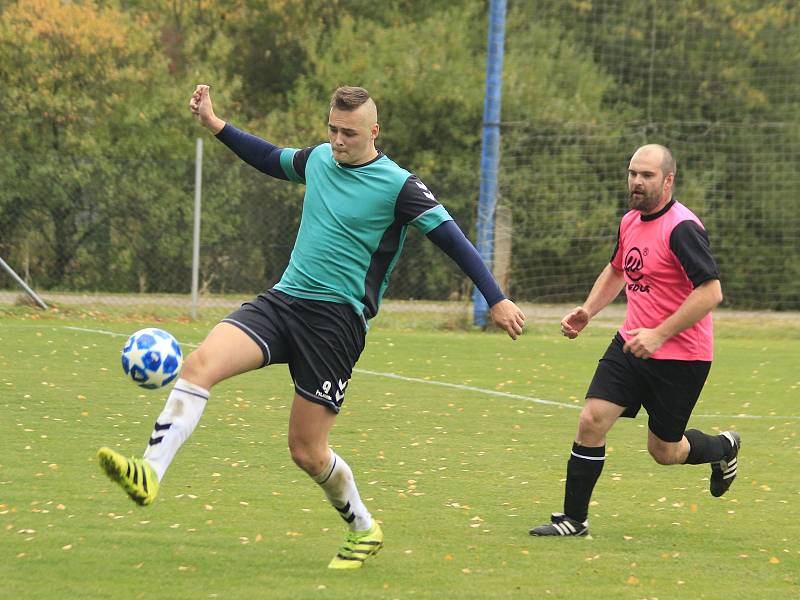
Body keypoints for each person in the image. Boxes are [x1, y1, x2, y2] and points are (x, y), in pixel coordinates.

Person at [98, 84, 526, 568]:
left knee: (306, 450)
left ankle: (363, 527)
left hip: (336, 324)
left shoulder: (399, 185)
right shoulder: (320, 159)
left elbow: (454, 240)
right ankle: (149, 472)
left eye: (349, 133)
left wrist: (496, 298)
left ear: (373, 132)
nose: (338, 141)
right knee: (198, 364)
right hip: (283, 302)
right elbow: (269, 157)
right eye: (332, 130)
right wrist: (215, 124)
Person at [529, 144, 739, 537]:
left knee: (665, 451)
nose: (637, 182)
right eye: (633, 174)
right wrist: (587, 311)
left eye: (647, 175)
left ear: (668, 180)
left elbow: (710, 293)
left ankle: (723, 447)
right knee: (591, 419)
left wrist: (660, 334)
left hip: (682, 357)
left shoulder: (682, 228)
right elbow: (616, 271)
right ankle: (574, 520)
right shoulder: (630, 221)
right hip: (630, 345)